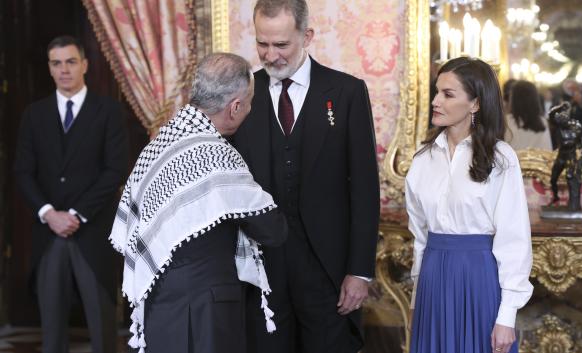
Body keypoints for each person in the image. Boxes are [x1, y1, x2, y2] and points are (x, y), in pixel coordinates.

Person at [109, 53, 288, 353]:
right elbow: (272, 229)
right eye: (250, 102)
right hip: (206, 312)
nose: (250, 109)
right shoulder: (216, 154)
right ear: (235, 107)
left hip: (161, 307)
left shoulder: (159, 145)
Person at [233, 1, 380, 352]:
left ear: (307, 36)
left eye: (282, 45)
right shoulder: (240, 95)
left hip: (326, 270)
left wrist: (359, 271)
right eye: (262, 44)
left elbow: (364, 189)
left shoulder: (346, 93)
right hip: (261, 271)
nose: (271, 55)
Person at [406, 57, 533, 353]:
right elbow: (420, 239)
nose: (436, 101)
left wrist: (507, 316)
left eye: (448, 94)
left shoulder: (500, 158)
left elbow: (514, 239)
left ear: (475, 104)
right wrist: (415, 300)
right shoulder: (422, 160)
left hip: (480, 280)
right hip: (432, 282)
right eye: (437, 91)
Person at [13, 35, 128, 353]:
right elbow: (23, 172)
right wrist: (49, 214)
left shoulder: (108, 111)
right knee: (51, 331)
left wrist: (76, 215)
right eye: (56, 63)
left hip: (92, 232)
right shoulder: (33, 115)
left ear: (85, 65)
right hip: (48, 233)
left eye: (71, 61)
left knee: (101, 327)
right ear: (50, 69)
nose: (64, 69)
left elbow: (115, 171)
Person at [505, 80, 552, 150]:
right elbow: (547, 150)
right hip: (539, 160)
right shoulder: (543, 121)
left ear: (514, 100)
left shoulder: (506, 121)